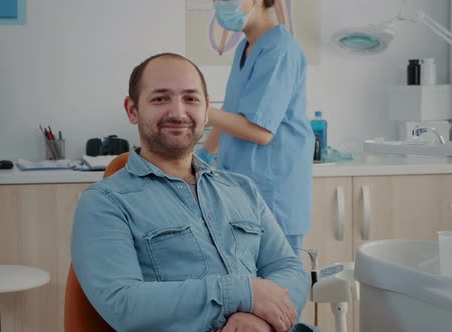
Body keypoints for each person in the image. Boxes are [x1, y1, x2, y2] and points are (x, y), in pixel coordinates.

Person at [71, 53, 319, 332]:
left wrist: (257, 322)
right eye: (160, 99)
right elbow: (123, 303)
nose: (178, 113)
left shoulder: (242, 189)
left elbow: (290, 268)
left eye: (191, 99)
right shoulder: (104, 202)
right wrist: (241, 293)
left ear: (206, 109)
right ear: (132, 110)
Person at [198, 0, 314, 254]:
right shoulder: (245, 48)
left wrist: (198, 108)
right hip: (244, 189)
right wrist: (203, 156)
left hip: (274, 194)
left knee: (278, 286)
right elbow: (233, 113)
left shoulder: (279, 49)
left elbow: (260, 131)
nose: (222, 5)